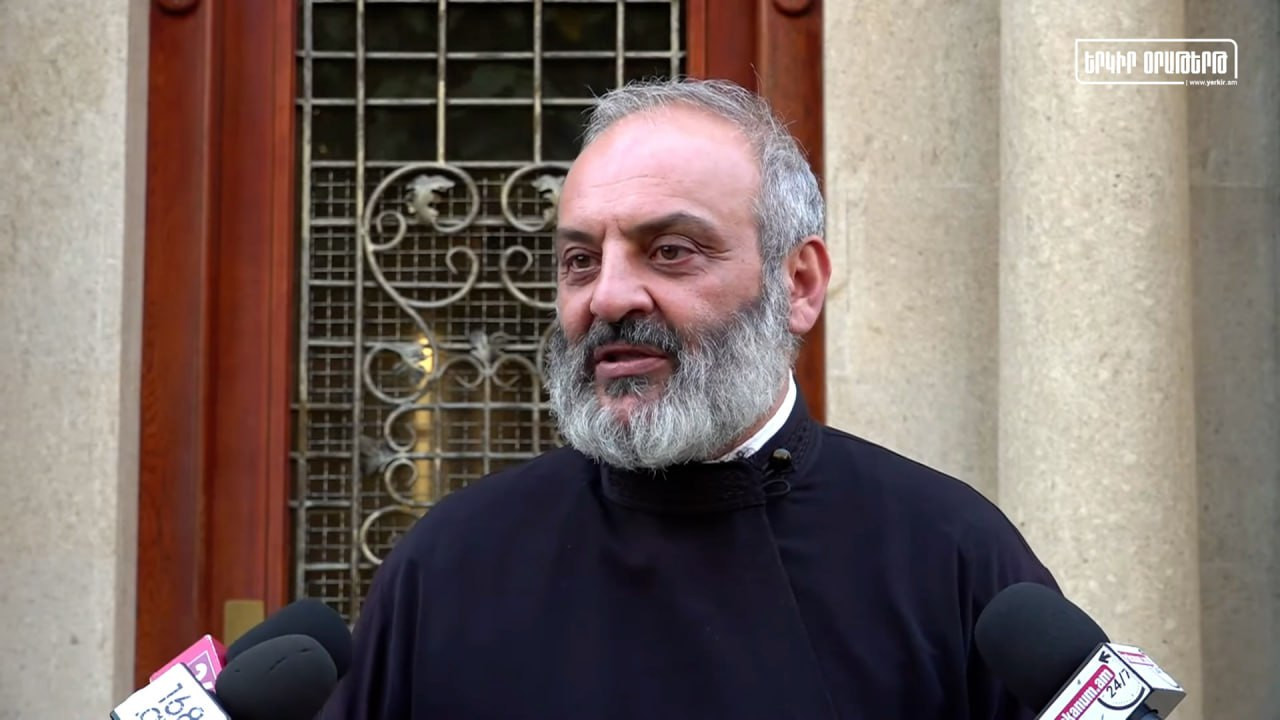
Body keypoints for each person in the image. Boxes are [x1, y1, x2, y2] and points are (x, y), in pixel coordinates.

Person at [320, 78, 1056, 719]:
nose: (608, 297)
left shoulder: (947, 554)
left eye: (670, 251)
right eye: (580, 260)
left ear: (798, 284)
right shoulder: (453, 563)